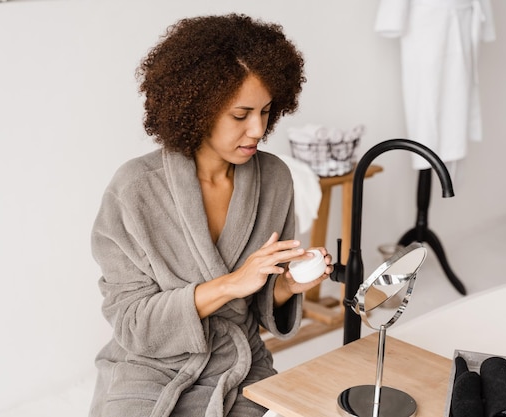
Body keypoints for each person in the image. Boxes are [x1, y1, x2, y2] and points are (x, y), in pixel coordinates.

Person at [89, 13, 333, 417]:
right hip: (150, 367)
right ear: (198, 109)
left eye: (267, 112)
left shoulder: (274, 178)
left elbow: (259, 308)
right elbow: (132, 325)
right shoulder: (134, 190)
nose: (257, 130)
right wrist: (232, 284)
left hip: (237, 362)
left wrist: (287, 287)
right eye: (241, 115)